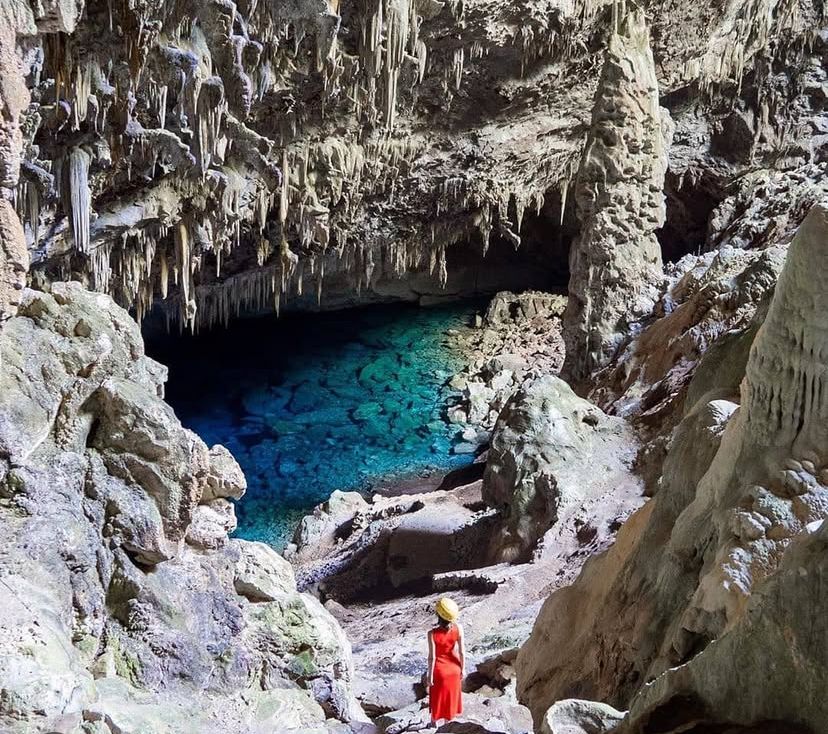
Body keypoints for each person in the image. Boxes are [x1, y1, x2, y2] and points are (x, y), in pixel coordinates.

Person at [426, 597, 465, 727]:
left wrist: (429, 676)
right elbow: (462, 652)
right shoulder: (459, 628)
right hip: (454, 668)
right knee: (450, 696)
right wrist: (463, 669)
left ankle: (434, 722)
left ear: (438, 615)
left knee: (437, 696)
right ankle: (449, 723)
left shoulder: (431, 634)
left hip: (440, 670)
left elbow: (432, 658)